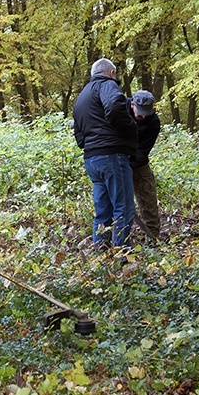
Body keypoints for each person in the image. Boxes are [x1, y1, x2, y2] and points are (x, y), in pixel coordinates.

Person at [72, 58, 138, 253]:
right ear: (111, 73)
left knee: (103, 212)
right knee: (123, 208)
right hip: (112, 156)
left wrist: (86, 144)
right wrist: (129, 129)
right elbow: (115, 107)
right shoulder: (107, 85)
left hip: (92, 158)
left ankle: (100, 257)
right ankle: (121, 255)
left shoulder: (82, 95)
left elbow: (77, 128)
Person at [128, 90, 161, 241]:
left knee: (148, 197)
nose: (143, 116)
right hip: (118, 159)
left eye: (146, 113)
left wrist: (131, 164)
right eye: (139, 112)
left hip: (139, 162)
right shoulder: (120, 108)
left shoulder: (153, 121)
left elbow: (144, 151)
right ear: (132, 104)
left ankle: (153, 236)